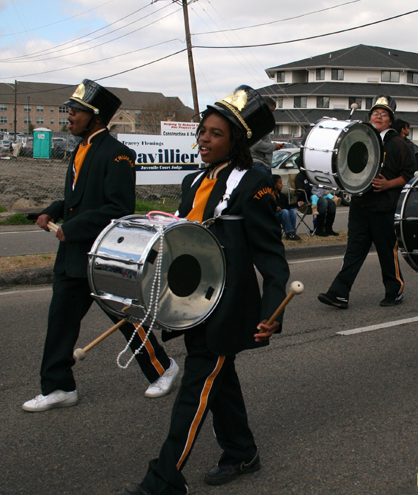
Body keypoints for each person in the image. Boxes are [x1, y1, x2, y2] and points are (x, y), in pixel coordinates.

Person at [120, 86, 289, 495]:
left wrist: (272, 312)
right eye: (202, 132)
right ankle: (241, 451)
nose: (204, 140)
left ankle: (164, 480)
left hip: (229, 305)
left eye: (215, 133)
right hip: (194, 301)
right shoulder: (193, 179)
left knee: (195, 389)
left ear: (235, 140)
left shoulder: (254, 182)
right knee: (220, 379)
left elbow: (271, 256)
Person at [23, 80, 177, 413]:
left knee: (127, 319)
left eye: (75, 111)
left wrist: (73, 228)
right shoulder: (80, 149)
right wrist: (53, 210)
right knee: (60, 322)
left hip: (103, 254)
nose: (69, 117)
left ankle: (164, 369)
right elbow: (77, 199)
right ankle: (59, 387)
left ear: (94, 117)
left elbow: (117, 208)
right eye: (70, 111)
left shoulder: (118, 154)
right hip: (71, 257)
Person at [318, 95, 416, 309]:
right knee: (353, 251)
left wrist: (388, 184)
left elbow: (410, 174)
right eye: (375, 113)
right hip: (360, 204)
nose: (378, 117)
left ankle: (394, 290)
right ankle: (339, 293)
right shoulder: (358, 137)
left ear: (391, 121)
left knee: (386, 251)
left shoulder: (398, 144)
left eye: (384, 114)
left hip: (384, 206)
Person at [294, 169, 338, 236]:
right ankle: (319, 229)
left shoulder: (314, 175)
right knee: (324, 202)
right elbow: (300, 192)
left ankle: (328, 229)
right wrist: (310, 185)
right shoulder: (300, 176)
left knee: (332, 203)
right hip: (306, 199)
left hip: (319, 196)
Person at [249, 97, 278, 175]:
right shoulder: (257, 122)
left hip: (260, 164)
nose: (271, 114)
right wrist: (274, 146)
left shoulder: (260, 122)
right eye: (270, 110)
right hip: (258, 163)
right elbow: (256, 144)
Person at [272, 174, 301, 241]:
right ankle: (289, 233)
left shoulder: (282, 196)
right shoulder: (271, 195)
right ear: (274, 184)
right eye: (280, 183)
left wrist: (297, 204)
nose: (282, 185)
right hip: (274, 215)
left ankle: (292, 232)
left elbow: (286, 206)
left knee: (293, 211)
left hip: (283, 215)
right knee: (284, 211)